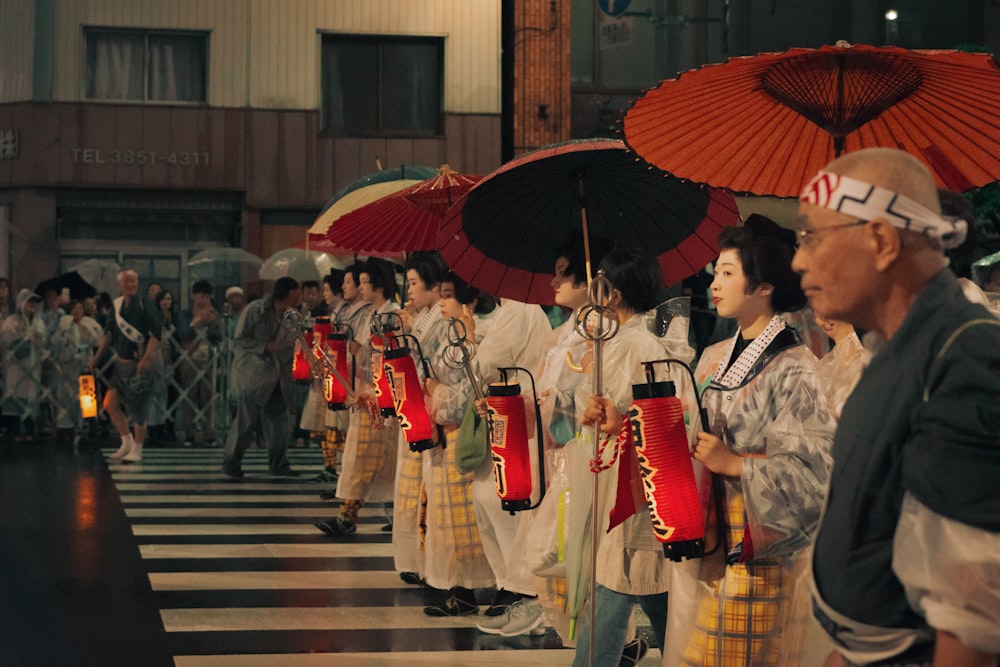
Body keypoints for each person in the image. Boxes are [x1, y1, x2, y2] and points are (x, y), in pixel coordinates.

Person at [793, 147, 1000, 666]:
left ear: (882, 240)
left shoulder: (966, 359)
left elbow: (973, 613)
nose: (798, 259)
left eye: (811, 237)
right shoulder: (897, 349)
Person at [663, 215, 835, 667]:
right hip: (715, 536)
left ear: (763, 288)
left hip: (760, 550)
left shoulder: (794, 364)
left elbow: (815, 473)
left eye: (726, 273)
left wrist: (736, 464)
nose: (713, 284)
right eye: (715, 272)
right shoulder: (716, 356)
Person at [572, 247, 696, 667]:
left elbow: (640, 416)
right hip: (638, 478)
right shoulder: (638, 340)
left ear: (614, 294)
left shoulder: (633, 344)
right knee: (650, 588)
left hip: (632, 480)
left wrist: (611, 420)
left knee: (618, 583)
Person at [314, 258, 400, 534]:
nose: (361, 288)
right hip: (366, 396)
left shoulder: (393, 316)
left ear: (380, 284)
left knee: (363, 458)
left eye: (365, 282)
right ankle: (357, 515)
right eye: (359, 282)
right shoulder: (371, 315)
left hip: (381, 399)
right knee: (368, 458)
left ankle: (349, 517)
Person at [392, 252, 451, 587]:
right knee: (415, 490)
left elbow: (430, 366)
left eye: (415, 283)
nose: (410, 290)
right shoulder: (423, 317)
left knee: (428, 492)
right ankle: (419, 559)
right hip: (416, 408)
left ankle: (429, 563)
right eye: (409, 283)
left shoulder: (438, 319)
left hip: (431, 411)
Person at [221, 277, 302, 478]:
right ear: (288, 293)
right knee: (245, 423)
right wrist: (265, 346)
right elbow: (239, 339)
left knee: (279, 424)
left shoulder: (293, 316)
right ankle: (231, 463)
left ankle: (279, 464)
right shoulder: (255, 310)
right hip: (253, 375)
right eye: (296, 292)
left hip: (278, 376)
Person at [89, 269, 162, 463]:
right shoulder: (116, 305)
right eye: (127, 282)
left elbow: (155, 334)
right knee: (109, 404)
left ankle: (137, 448)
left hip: (138, 363)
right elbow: (109, 334)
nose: (130, 285)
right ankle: (126, 441)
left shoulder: (145, 304)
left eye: (133, 281)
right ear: (120, 285)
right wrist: (96, 358)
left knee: (139, 408)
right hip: (120, 365)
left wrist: (147, 358)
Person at [51, 300, 103, 444]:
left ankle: (86, 427)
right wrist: (64, 334)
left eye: (80, 308)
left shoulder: (90, 324)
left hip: (85, 366)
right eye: (74, 308)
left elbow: (98, 340)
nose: (77, 311)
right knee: (66, 397)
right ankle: (65, 428)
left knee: (87, 398)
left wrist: (89, 333)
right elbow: (55, 341)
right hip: (68, 367)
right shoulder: (64, 325)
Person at [176, 280, 220, 446]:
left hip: (208, 359)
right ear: (194, 296)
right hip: (189, 358)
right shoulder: (185, 314)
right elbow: (183, 333)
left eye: (208, 296)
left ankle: (209, 434)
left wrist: (214, 322)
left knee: (208, 398)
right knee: (189, 397)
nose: (205, 300)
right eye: (202, 296)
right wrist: (199, 319)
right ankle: (189, 434)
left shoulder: (212, 313)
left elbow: (217, 337)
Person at [1, 290, 47, 442]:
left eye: (34, 303)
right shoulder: (12, 320)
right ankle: (13, 429)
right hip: (15, 365)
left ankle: (29, 429)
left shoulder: (38, 322)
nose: (32, 306)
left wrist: (32, 334)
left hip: (32, 364)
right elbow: (5, 337)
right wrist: (19, 332)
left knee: (30, 394)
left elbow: (42, 340)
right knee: (14, 392)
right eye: (29, 302)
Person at [147, 290, 179, 447]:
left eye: (169, 299)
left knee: (165, 393)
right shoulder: (153, 316)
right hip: (155, 356)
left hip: (169, 358)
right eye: (164, 299)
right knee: (155, 393)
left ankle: (162, 426)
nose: (167, 302)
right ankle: (153, 430)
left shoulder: (173, 318)